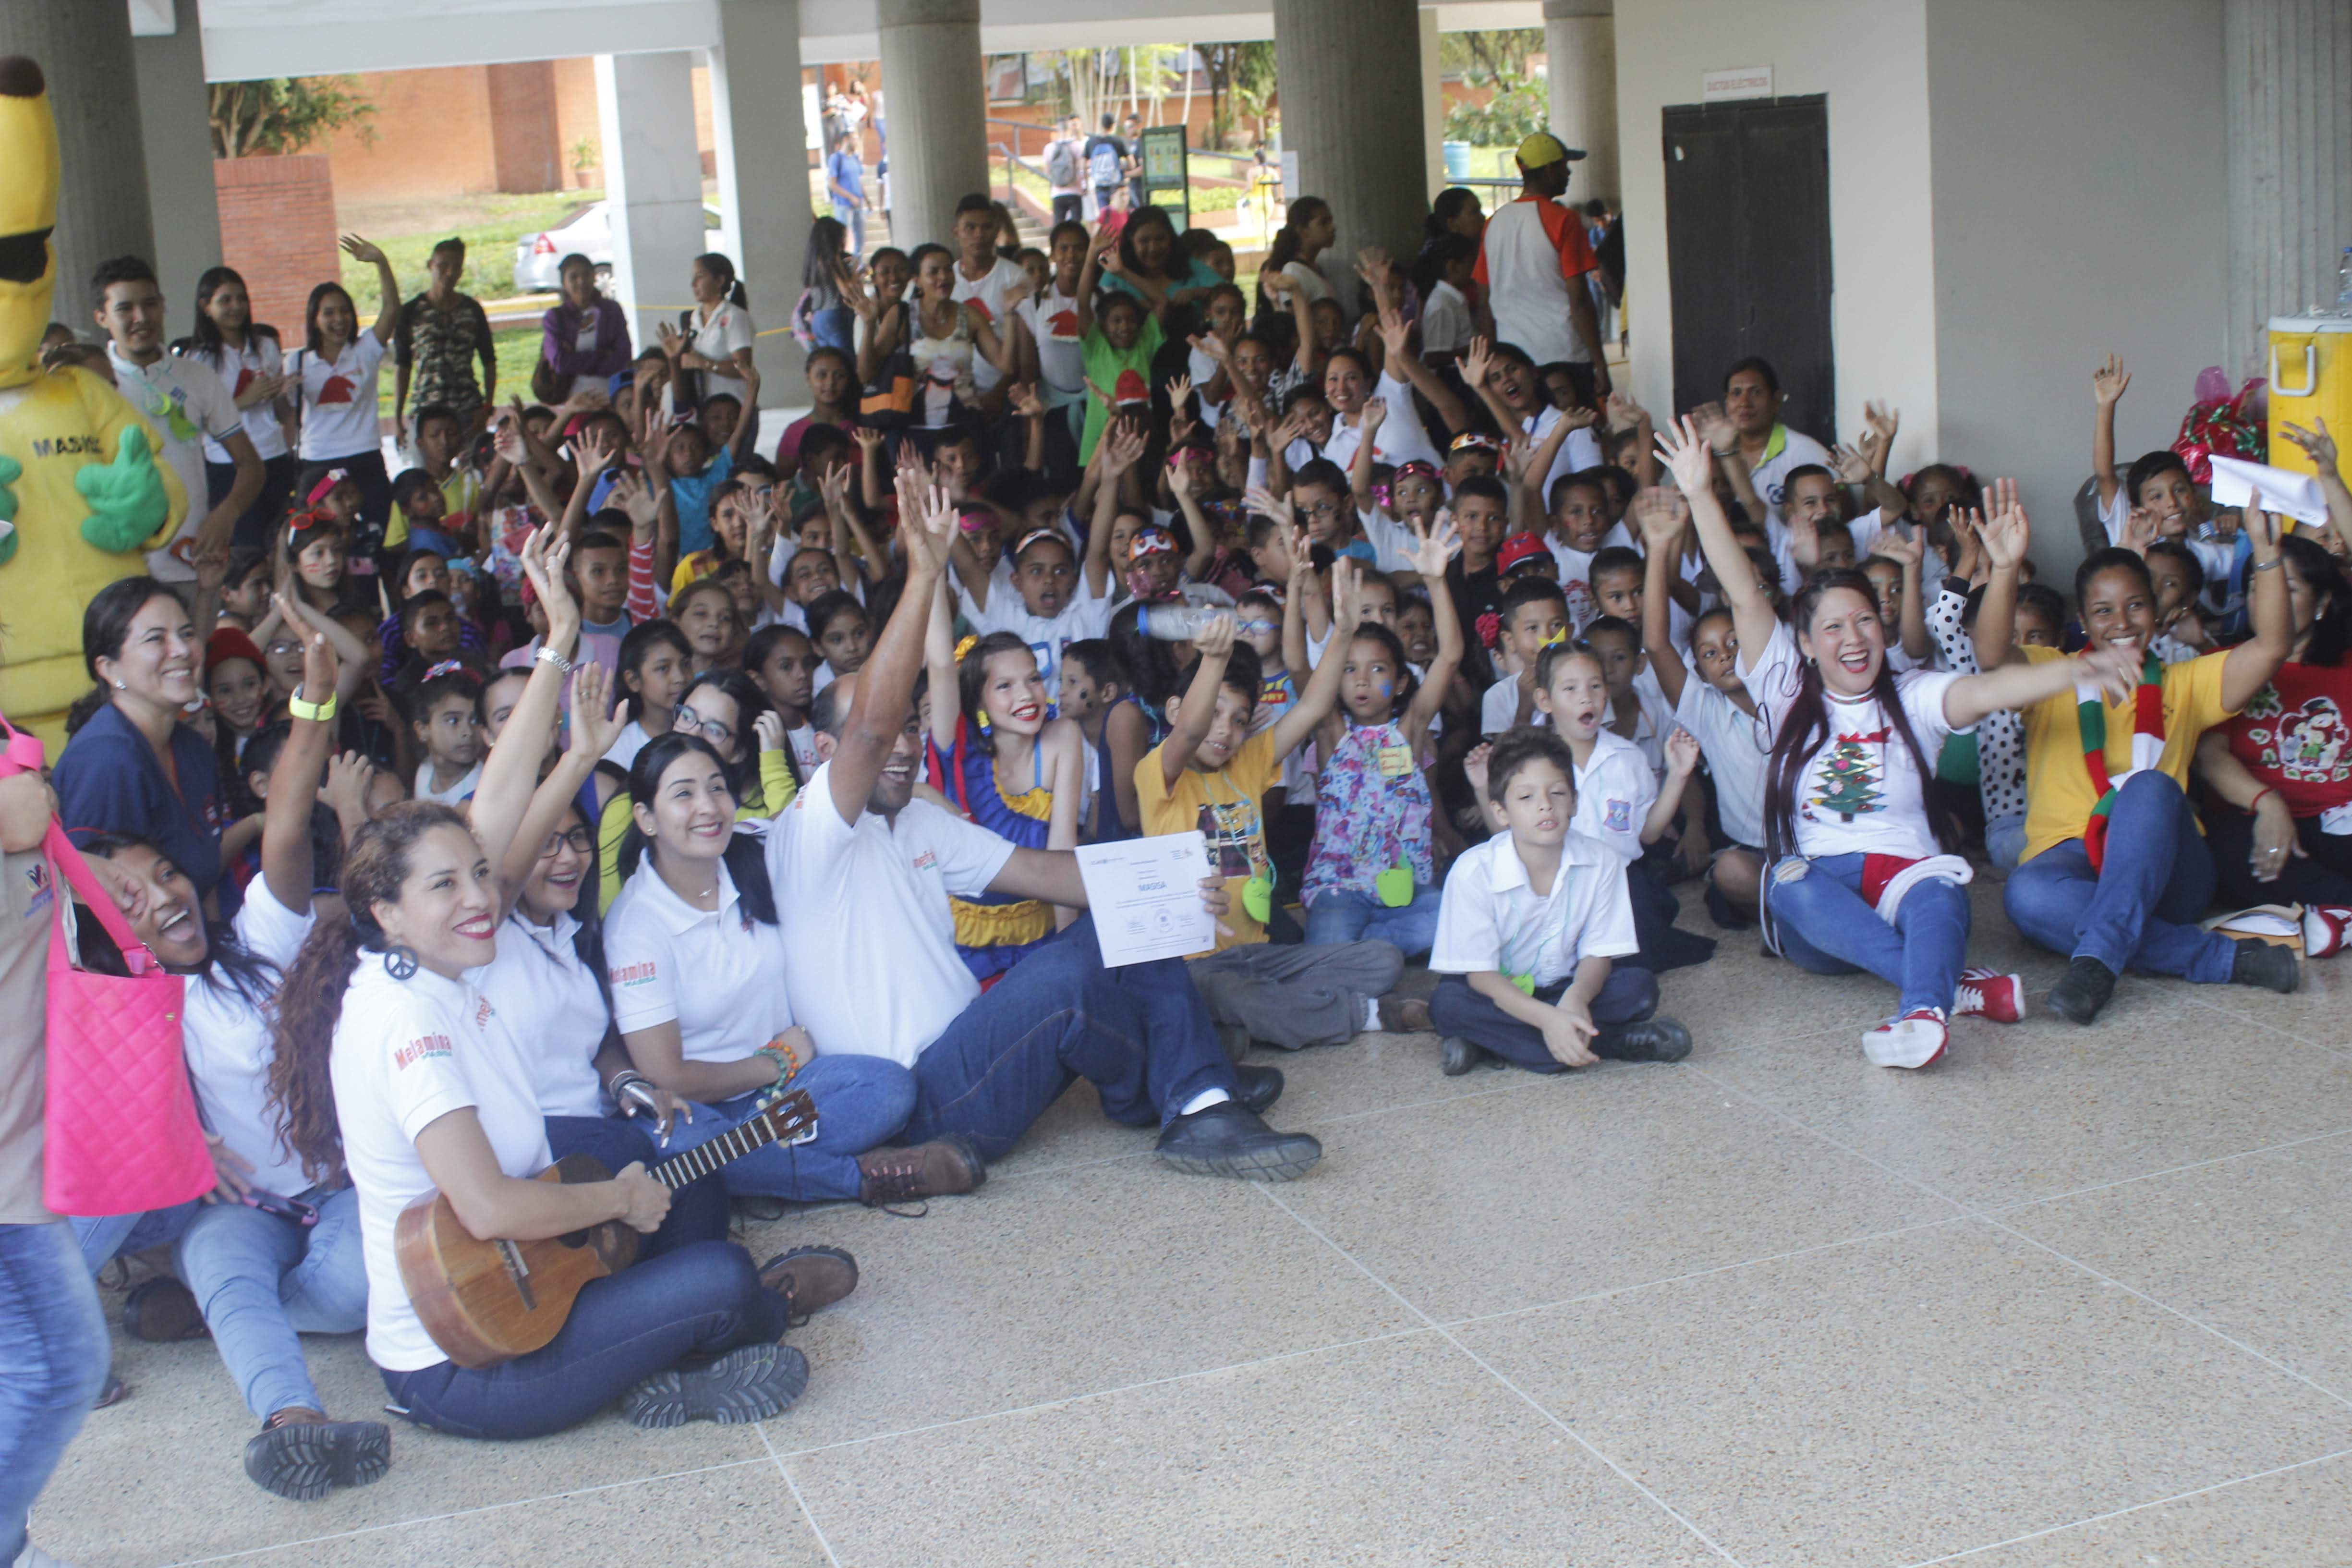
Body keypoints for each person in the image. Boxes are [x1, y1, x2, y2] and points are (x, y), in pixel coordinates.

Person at [769, 472, 1323, 1178]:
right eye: (885, 735)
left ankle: (1186, 1088)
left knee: (1123, 902)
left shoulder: (913, 823)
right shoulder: (806, 831)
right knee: (1073, 966)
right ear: (824, 755)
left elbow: (1045, 872)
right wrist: (925, 573)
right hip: (922, 1101)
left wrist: (1176, 883)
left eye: (914, 728)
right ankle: (1197, 1092)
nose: (904, 743)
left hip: (977, 1057)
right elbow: (871, 730)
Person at [1661, 420, 2126, 1068]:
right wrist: (1701, 494)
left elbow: (1988, 693)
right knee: (1786, 878)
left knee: (1940, 891)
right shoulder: (1781, 686)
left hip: (1907, 883)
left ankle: (1921, 1012)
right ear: (1803, 643)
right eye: (1831, 627)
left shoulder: (1914, 695)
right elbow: (1742, 588)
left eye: (1863, 620)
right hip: (1819, 908)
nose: (1851, 637)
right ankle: (1948, 984)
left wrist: (2077, 668)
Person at [69, 611, 389, 1499]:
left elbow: (287, 821)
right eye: (126, 897)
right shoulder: (115, 1014)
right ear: (101, 928)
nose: (161, 898)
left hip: (338, 1189)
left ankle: (200, 1314)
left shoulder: (257, 941)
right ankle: (293, 1421)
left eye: (164, 875)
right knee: (222, 1263)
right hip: (233, 1206)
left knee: (358, 1290)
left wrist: (315, 700)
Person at [1976, 481, 2298, 1022]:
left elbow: (2270, 647)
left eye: (2134, 606)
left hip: (2169, 870)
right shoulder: (2054, 671)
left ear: (2155, 610)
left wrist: (2264, 557)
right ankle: (2219, 958)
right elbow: (1989, 654)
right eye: (2102, 611)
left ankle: (2097, 954)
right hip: (2068, 861)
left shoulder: (2185, 682)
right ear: (2082, 618)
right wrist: (2004, 567)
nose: (2120, 623)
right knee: (2026, 898)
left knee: (2146, 786)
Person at [1140, 562, 1430, 1049]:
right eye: (1212, 713)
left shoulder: (1249, 761)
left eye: (1236, 720)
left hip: (1259, 953)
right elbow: (1188, 733)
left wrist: (1340, 632)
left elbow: (1314, 706)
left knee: (1381, 959)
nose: (1222, 730)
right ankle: (1367, 1015)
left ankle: (1243, 1022)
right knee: (1234, 992)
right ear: (1176, 710)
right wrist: (1213, 660)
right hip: (1196, 964)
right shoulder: (1158, 773)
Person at [1428, 728, 1692, 1075]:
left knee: (1638, 988)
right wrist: (1548, 1019)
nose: (1545, 805)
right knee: (1448, 1004)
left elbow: (1599, 953)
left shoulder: (1602, 862)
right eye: (1525, 797)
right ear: (1501, 811)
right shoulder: (1473, 871)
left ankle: (1491, 1042)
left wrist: (1578, 997)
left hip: (1565, 988)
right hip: (1500, 994)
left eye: (1557, 792)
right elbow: (1480, 976)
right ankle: (1608, 1042)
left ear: (1576, 801)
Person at [1299, 520, 1462, 954]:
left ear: (1402, 682)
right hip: (1340, 887)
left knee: (1454, 921)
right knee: (1328, 946)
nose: (1363, 681)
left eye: (1378, 670)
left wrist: (1435, 581)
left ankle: (1367, 946)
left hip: (1404, 887)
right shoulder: (1330, 731)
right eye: (1349, 670)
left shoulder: (1409, 731)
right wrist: (1339, 622)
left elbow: (1449, 656)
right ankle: (1359, 948)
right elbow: (1301, 664)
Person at [2195, 532, 2352, 949]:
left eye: (2289, 587)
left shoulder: (2347, 668)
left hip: (2338, 820)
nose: (2270, 597)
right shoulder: (2220, 665)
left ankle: (2334, 913)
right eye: (2258, 585)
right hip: (2252, 822)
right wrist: (2268, 802)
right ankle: (2339, 906)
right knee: (2227, 850)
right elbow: (2210, 757)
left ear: (2321, 604)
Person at [53, 578, 232, 915]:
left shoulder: (193, 747)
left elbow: (203, 885)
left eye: (188, 633)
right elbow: (90, 909)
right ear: (109, 668)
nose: (181, 649)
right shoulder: (105, 760)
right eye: (156, 639)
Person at [92, 255, 261, 583]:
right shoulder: (89, 383)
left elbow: (251, 465)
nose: (141, 318)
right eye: (125, 308)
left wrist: (227, 514)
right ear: (102, 317)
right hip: (116, 571)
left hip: (190, 563)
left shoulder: (198, 377)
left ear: (163, 305)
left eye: (150, 304)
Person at [1473, 133, 1609, 404]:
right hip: (1564, 355)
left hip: (1515, 359)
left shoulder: (1494, 223)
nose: (1568, 172)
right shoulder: (1564, 220)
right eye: (1563, 165)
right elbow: (1580, 300)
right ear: (1549, 170)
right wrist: (1600, 362)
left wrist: (1489, 364)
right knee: (1579, 436)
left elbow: (1484, 302)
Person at [290, 236, 402, 559]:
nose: (338, 319)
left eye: (344, 311)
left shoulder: (365, 351)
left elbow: (392, 309)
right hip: (318, 462)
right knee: (322, 544)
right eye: (328, 313)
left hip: (365, 457)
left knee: (376, 542)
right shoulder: (297, 361)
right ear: (315, 318)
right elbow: (285, 416)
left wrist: (381, 262)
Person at [179, 265, 300, 552]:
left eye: (241, 299)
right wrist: (244, 400)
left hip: (274, 456)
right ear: (205, 307)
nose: (236, 307)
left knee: (285, 546)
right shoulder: (197, 359)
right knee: (248, 551)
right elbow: (193, 423)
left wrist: (280, 393)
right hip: (228, 465)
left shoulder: (266, 345)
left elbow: (282, 412)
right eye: (225, 300)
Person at [392, 238, 494, 447]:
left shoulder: (472, 310)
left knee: (475, 473)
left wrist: (487, 407)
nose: (450, 272)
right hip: (426, 409)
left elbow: (489, 360)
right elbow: (402, 366)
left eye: (456, 267)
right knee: (428, 476)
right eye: (443, 265)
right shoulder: (411, 311)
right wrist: (397, 417)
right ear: (430, 266)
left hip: (468, 407)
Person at [661, 253, 753, 414]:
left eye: (700, 276)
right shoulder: (691, 319)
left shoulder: (735, 316)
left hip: (734, 410)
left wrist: (704, 363)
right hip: (704, 410)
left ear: (720, 281)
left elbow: (744, 369)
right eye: (692, 278)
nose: (693, 284)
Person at [536, 253, 633, 402]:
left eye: (586, 275)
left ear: (594, 277)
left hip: (612, 395)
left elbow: (623, 357)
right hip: (572, 399)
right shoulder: (555, 317)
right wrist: (602, 355)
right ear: (564, 283)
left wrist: (578, 360)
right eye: (574, 277)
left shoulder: (612, 310)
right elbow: (560, 362)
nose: (581, 281)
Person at [825, 131, 869, 260]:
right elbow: (832, 184)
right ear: (846, 140)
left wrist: (867, 200)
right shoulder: (836, 159)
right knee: (842, 238)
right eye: (854, 139)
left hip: (858, 205)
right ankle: (842, 263)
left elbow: (859, 181)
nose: (856, 142)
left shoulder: (855, 158)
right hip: (843, 205)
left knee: (861, 238)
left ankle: (857, 265)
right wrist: (850, 197)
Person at [1044, 114, 1087, 227]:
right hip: (1075, 191)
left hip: (1057, 193)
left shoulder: (1049, 148)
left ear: (1057, 129)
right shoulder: (1078, 146)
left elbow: (1048, 172)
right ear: (1069, 128)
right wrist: (1085, 186)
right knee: (1076, 226)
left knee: (1058, 227)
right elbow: (1083, 168)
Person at [1084, 114, 1128, 220]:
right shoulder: (1118, 141)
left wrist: (1086, 183)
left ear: (1101, 125)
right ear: (1113, 126)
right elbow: (1131, 163)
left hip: (1100, 184)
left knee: (1105, 215)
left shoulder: (1091, 142)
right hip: (1117, 185)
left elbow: (1083, 165)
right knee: (1119, 213)